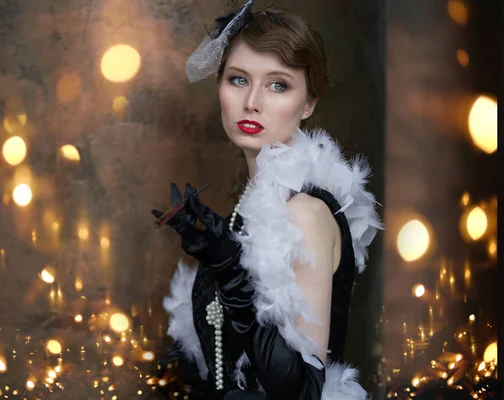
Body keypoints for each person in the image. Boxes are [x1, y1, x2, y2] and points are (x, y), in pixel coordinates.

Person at [151, 1, 383, 399]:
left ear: (308, 102)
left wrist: (229, 270)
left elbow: (302, 391)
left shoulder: (305, 214)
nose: (252, 101)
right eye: (238, 80)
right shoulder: (248, 209)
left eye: (278, 84)